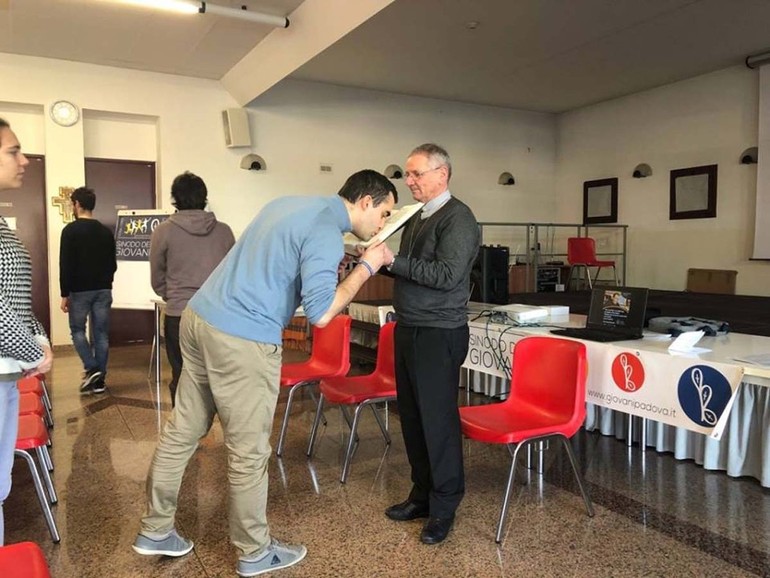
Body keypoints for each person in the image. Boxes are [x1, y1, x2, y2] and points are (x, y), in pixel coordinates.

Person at [133, 169, 396, 577]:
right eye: (384, 214)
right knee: (249, 451)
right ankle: (255, 553)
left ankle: (154, 530)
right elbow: (322, 312)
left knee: (183, 429)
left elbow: (290, 250)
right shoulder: (326, 233)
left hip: (199, 318)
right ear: (366, 202)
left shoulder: (289, 203)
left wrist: (349, 252)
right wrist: (369, 265)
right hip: (242, 337)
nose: (384, 224)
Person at [384, 143, 479, 544]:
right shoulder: (417, 217)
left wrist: (392, 261)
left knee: (437, 423)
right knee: (413, 417)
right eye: (408, 174)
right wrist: (377, 260)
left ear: (442, 174)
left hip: (439, 333)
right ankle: (421, 495)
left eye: (416, 173)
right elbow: (411, 273)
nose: (409, 181)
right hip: (410, 327)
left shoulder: (459, 218)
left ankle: (444, 506)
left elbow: (445, 275)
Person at [0, 117, 54, 544]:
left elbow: (13, 293)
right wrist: (33, 349)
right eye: (12, 151)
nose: (24, 159)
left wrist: (37, 335)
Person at [150, 171, 234, 407]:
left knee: (182, 374)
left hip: (179, 315)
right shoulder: (224, 232)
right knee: (217, 376)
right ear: (204, 197)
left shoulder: (163, 231)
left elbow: (157, 276)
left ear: (174, 198)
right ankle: (222, 431)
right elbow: (232, 274)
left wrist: (172, 296)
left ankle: (185, 435)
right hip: (217, 317)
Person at [59, 186, 117, 395]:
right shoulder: (105, 232)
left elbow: (65, 264)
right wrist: (106, 281)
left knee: (77, 331)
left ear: (77, 204)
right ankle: (99, 381)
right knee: (101, 334)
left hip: (80, 291)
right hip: (103, 289)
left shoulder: (70, 231)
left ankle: (92, 368)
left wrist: (65, 294)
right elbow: (113, 264)